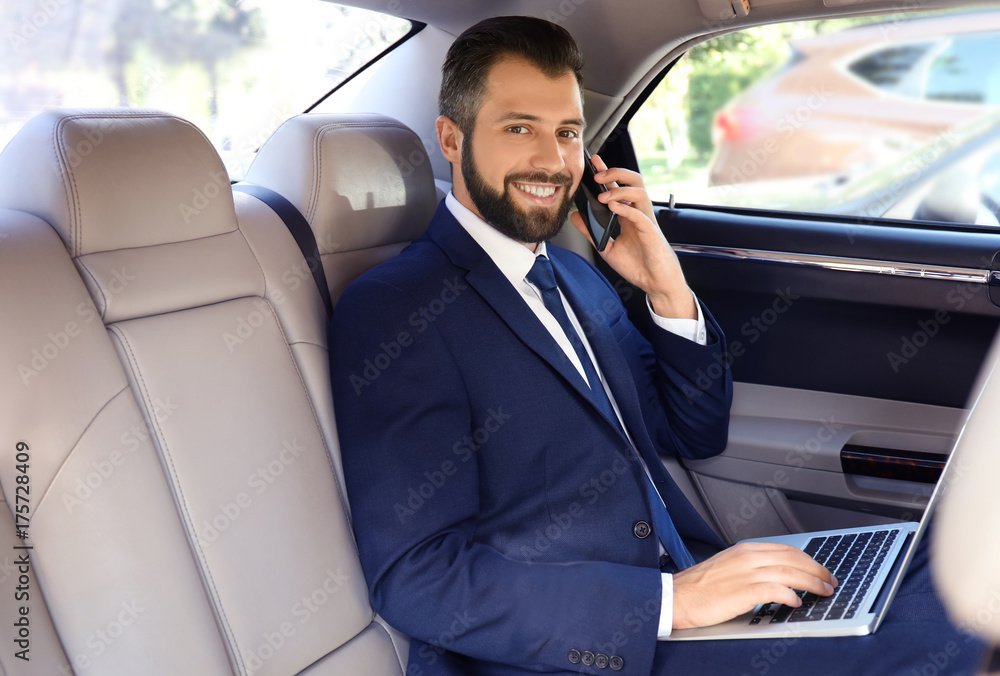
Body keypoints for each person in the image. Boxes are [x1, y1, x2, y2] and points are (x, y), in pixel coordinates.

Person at [329, 15, 984, 676]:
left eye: (567, 133)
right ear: (451, 136)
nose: (553, 161)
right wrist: (671, 601)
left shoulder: (578, 277)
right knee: (949, 649)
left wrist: (668, 291)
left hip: (689, 592)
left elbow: (694, 433)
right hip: (590, 648)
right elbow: (416, 577)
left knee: (965, 556)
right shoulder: (397, 308)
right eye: (519, 127)